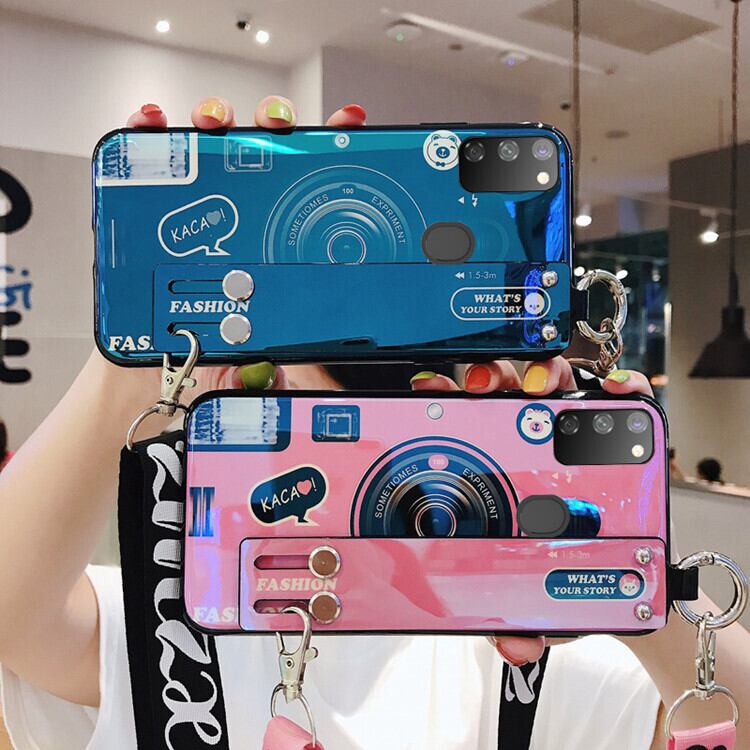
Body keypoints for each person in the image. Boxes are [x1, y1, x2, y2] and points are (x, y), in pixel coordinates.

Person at [0, 95, 748, 750]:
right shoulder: (194, 607)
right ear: (263, 386)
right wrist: (144, 347)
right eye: (340, 393)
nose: (392, 442)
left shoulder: (532, 638)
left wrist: (620, 539)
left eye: (421, 392)